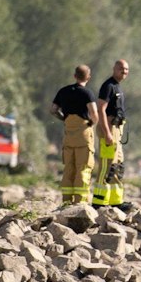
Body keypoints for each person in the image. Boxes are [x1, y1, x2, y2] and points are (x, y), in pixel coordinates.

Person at [51, 65, 97, 205]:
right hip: (83, 135)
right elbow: (95, 115)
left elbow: (53, 110)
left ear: (74, 76)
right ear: (88, 77)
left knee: (69, 168)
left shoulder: (63, 91)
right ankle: (80, 202)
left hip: (68, 135)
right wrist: (90, 124)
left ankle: (66, 202)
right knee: (82, 168)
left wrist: (64, 119)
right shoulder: (87, 93)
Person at [93, 58, 132, 210]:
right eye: (122, 69)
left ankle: (116, 201)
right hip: (109, 130)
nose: (124, 72)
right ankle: (98, 202)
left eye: (127, 70)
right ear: (114, 69)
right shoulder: (108, 86)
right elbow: (101, 109)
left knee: (118, 166)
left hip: (117, 131)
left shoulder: (118, 87)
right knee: (107, 167)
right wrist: (107, 132)